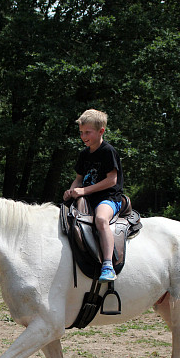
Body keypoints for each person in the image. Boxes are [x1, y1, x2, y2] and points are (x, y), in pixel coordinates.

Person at [63, 109, 124, 282]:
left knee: (101, 220)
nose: (83, 136)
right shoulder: (84, 154)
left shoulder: (108, 151)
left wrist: (83, 191)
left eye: (87, 132)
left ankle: (107, 265)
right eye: (81, 133)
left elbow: (112, 180)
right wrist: (71, 190)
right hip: (88, 198)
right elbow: (78, 179)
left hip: (108, 198)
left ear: (101, 131)